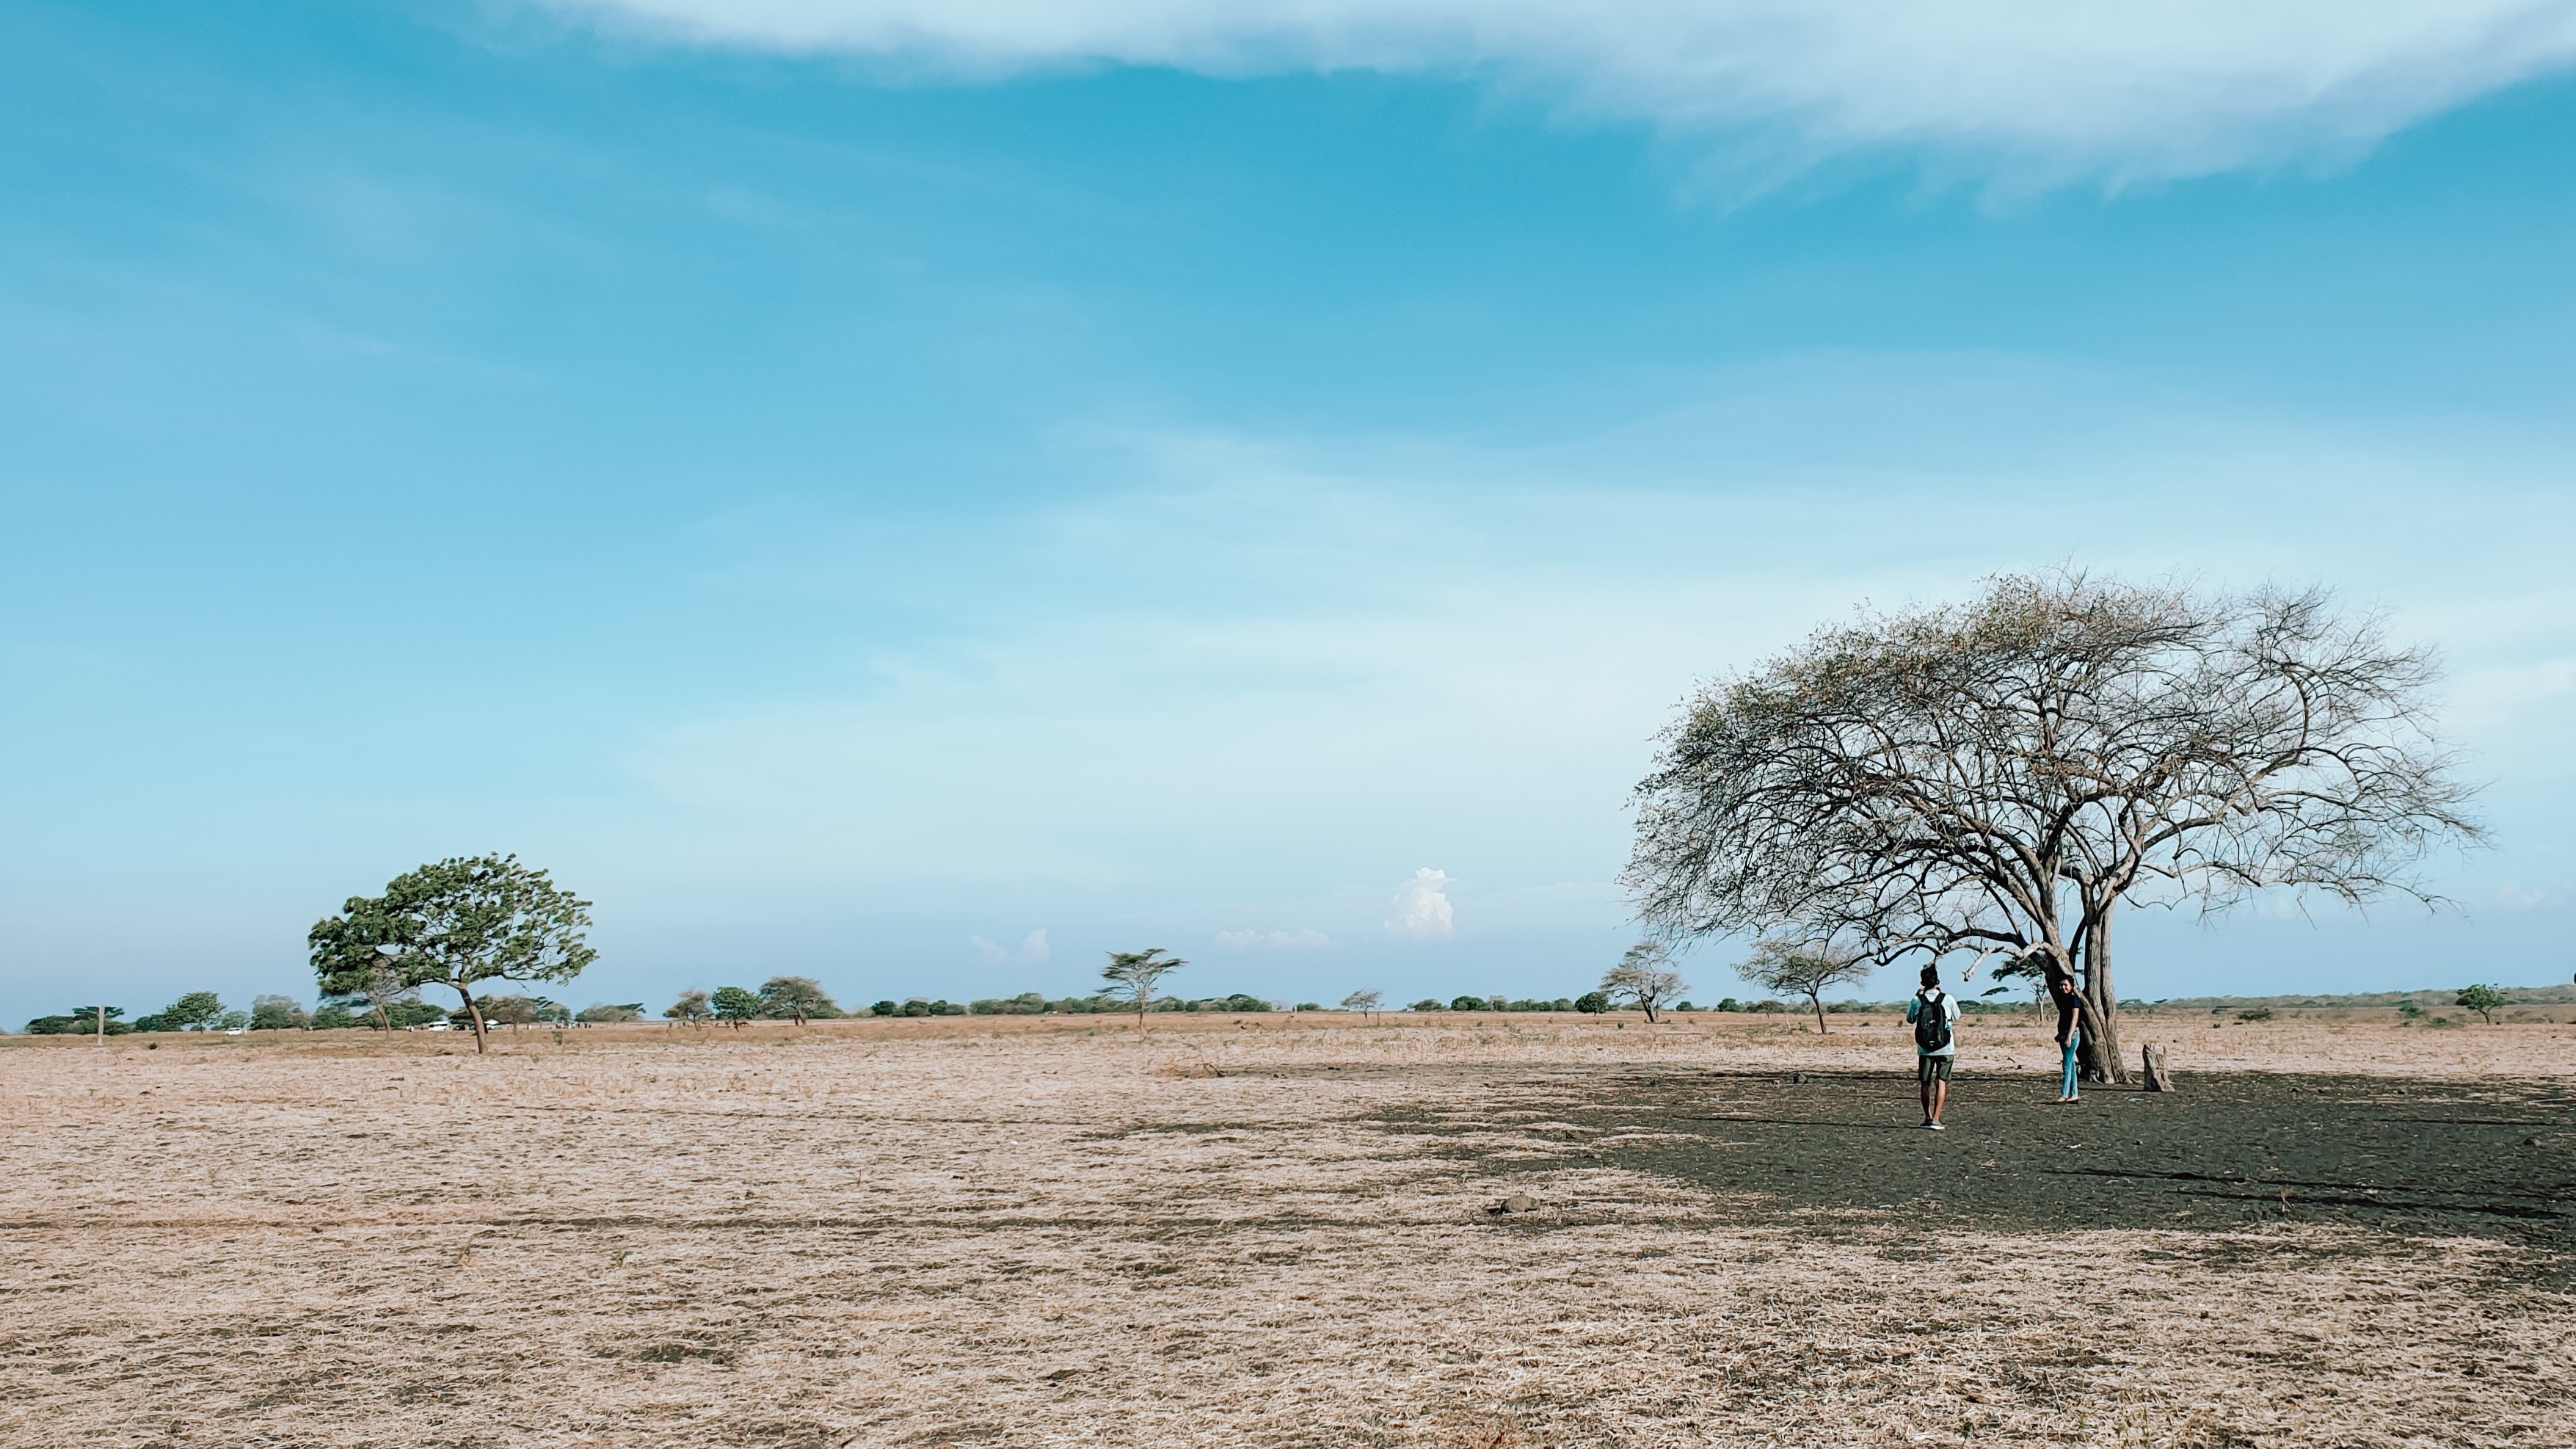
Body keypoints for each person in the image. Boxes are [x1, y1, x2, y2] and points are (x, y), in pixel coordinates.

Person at [1905, 965, 1960, 1130]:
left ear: (1922, 982)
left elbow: (1910, 1019)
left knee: (1925, 1082)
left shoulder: (1917, 1000)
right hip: (1946, 1048)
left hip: (1925, 1048)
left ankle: (1927, 1117)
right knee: (1941, 1081)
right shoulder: (1947, 998)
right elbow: (1957, 1016)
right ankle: (1937, 1118)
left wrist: (1918, 998)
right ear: (1937, 981)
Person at [2048, 970, 2083, 1103]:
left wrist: (2069, 1036)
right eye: (2061, 985)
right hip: (2063, 1035)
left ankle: (2064, 1094)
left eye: (2066, 985)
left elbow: (2075, 1019)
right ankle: (2074, 1094)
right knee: (2072, 1066)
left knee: (2067, 1066)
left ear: (2072, 986)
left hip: (2072, 1035)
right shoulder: (2064, 999)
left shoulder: (2075, 999)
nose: (2063, 987)